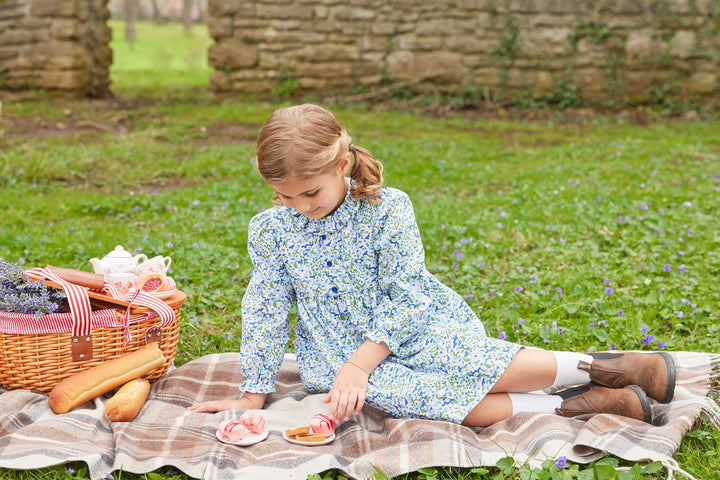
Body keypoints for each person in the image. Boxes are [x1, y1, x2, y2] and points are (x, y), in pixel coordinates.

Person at [188, 103, 675, 427]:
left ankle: (606, 367)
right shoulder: (271, 229)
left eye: (309, 192)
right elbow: (267, 307)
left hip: (413, 324)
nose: (298, 206)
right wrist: (254, 392)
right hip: (337, 354)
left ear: (341, 166)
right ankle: (586, 403)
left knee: (469, 361)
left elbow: (406, 291)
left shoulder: (386, 208)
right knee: (423, 397)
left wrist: (363, 362)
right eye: (283, 195)